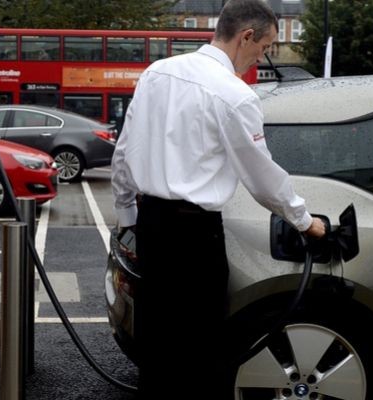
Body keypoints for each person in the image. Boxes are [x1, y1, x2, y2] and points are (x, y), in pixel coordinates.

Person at [111, 0, 326, 398]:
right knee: (201, 347)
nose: (263, 56)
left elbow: (125, 150)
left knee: (156, 342)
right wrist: (305, 221)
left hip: (152, 224)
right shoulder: (234, 95)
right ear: (246, 36)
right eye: (265, 46)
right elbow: (261, 176)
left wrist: (127, 214)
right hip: (195, 235)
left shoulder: (158, 73)